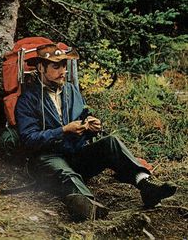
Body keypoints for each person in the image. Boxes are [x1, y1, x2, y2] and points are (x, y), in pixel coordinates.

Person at [15, 40, 176, 220]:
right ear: (41, 68)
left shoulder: (71, 90)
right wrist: (63, 130)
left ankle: (146, 186)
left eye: (64, 66)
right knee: (64, 172)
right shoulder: (28, 99)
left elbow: (83, 115)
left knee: (111, 142)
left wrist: (92, 126)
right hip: (47, 161)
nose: (63, 71)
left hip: (75, 155)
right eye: (56, 67)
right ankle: (86, 205)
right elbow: (28, 140)